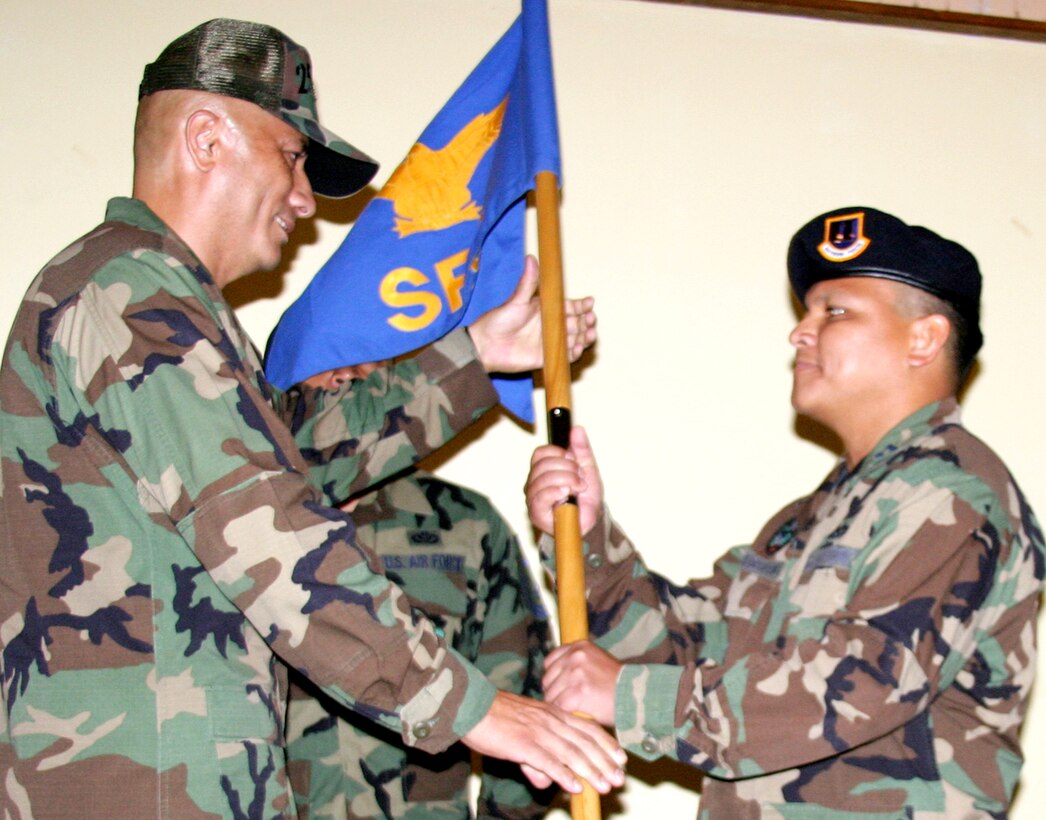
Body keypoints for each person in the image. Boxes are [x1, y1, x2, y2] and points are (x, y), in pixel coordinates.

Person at [0, 18, 624, 818]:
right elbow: (269, 527)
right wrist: (470, 707)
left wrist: (471, 355)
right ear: (205, 138)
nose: (304, 198)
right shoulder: (138, 297)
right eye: (291, 157)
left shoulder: (142, 296)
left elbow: (288, 452)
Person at [525, 206, 1045, 817]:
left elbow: (861, 682)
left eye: (836, 311)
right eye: (807, 312)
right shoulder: (812, 518)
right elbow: (691, 643)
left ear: (924, 338)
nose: (800, 332)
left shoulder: (952, 493)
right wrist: (588, 538)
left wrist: (631, 697)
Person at [286, 364, 555, 819]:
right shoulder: (235, 524)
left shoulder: (464, 525)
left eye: (367, 358)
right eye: (323, 360)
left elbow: (524, 696)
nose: (345, 376)